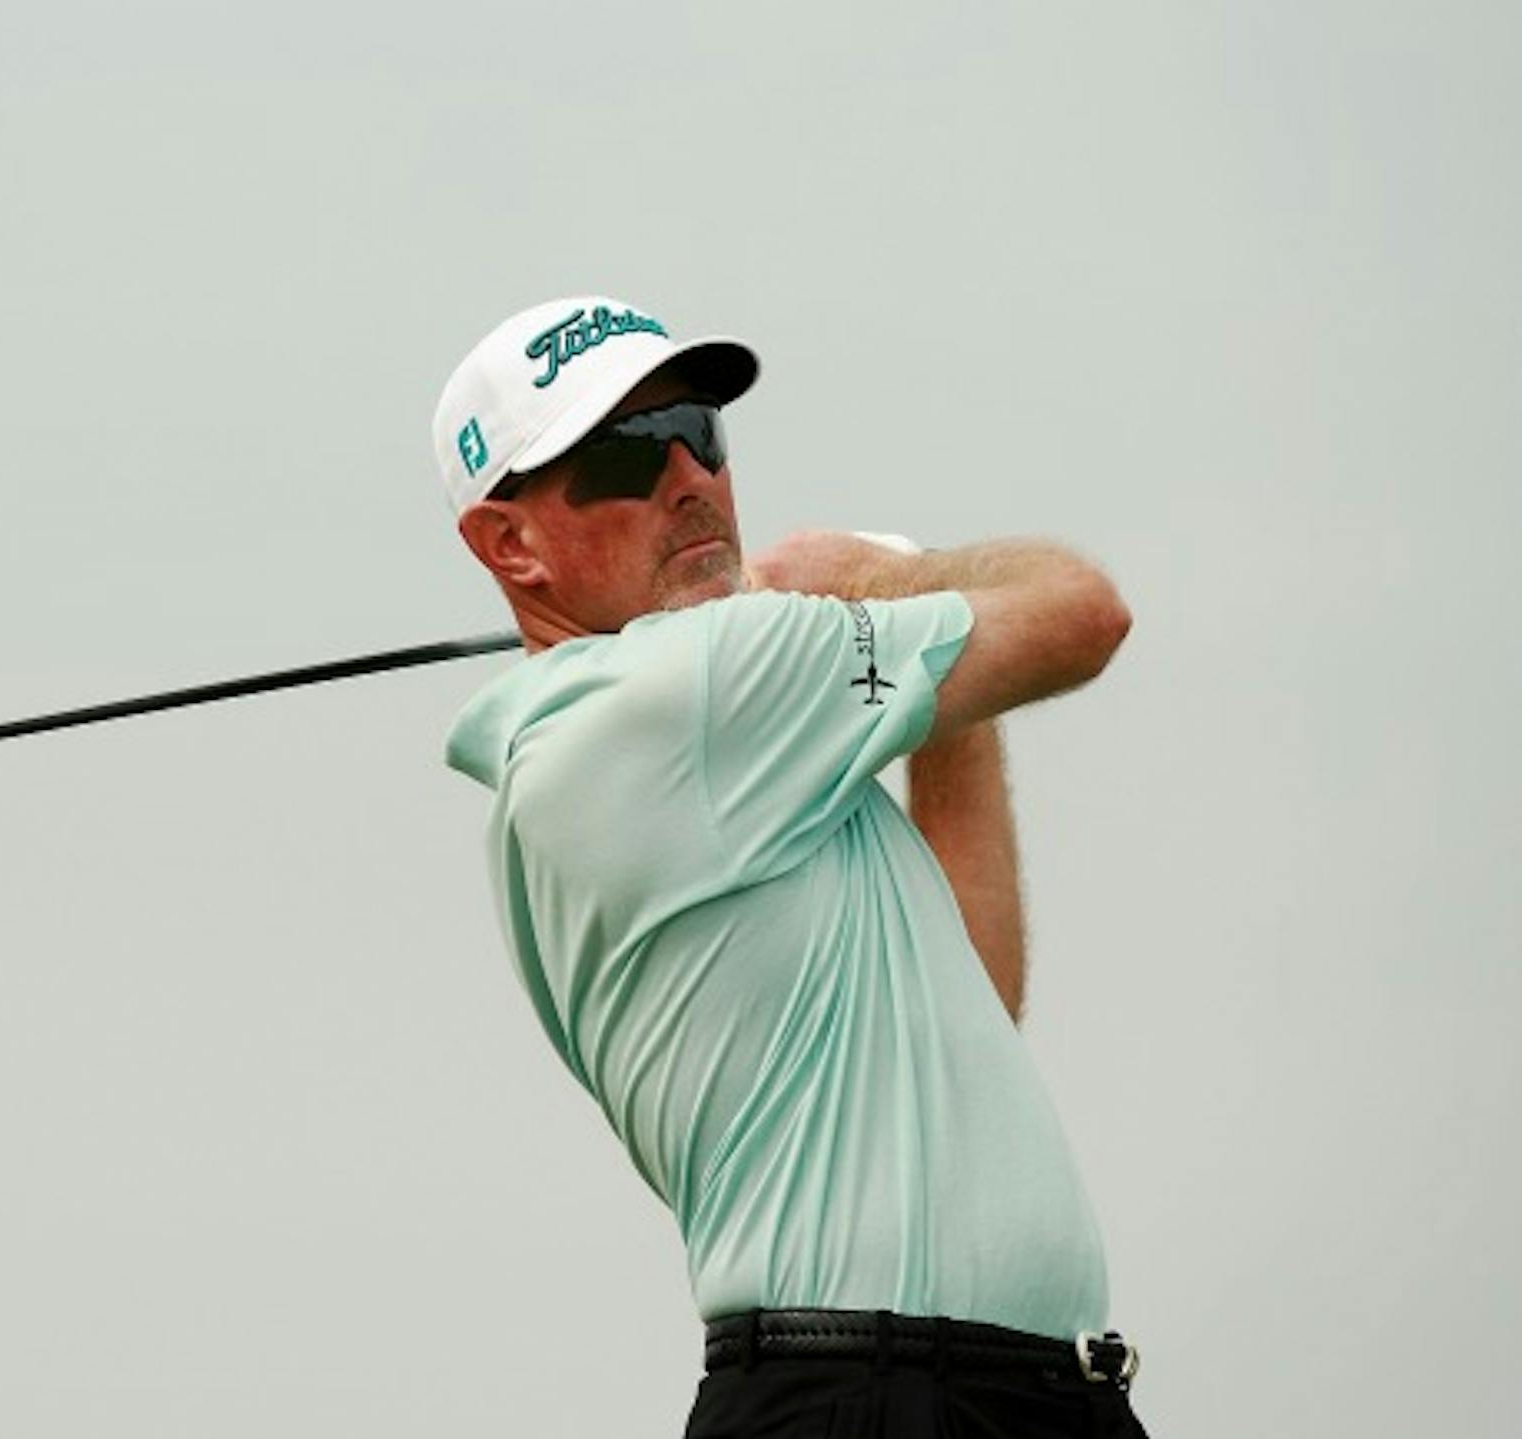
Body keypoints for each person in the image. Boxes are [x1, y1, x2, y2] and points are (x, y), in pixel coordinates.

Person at [433, 295, 1149, 1438]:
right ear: (510, 543)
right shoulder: (691, 692)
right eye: (622, 454)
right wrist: (885, 573)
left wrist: (930, 684)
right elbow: (1083, 612)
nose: (689, 479)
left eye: (699, 431)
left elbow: (973, 1000)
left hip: (984, 1395)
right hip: (874, 1399)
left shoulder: (736, 752)